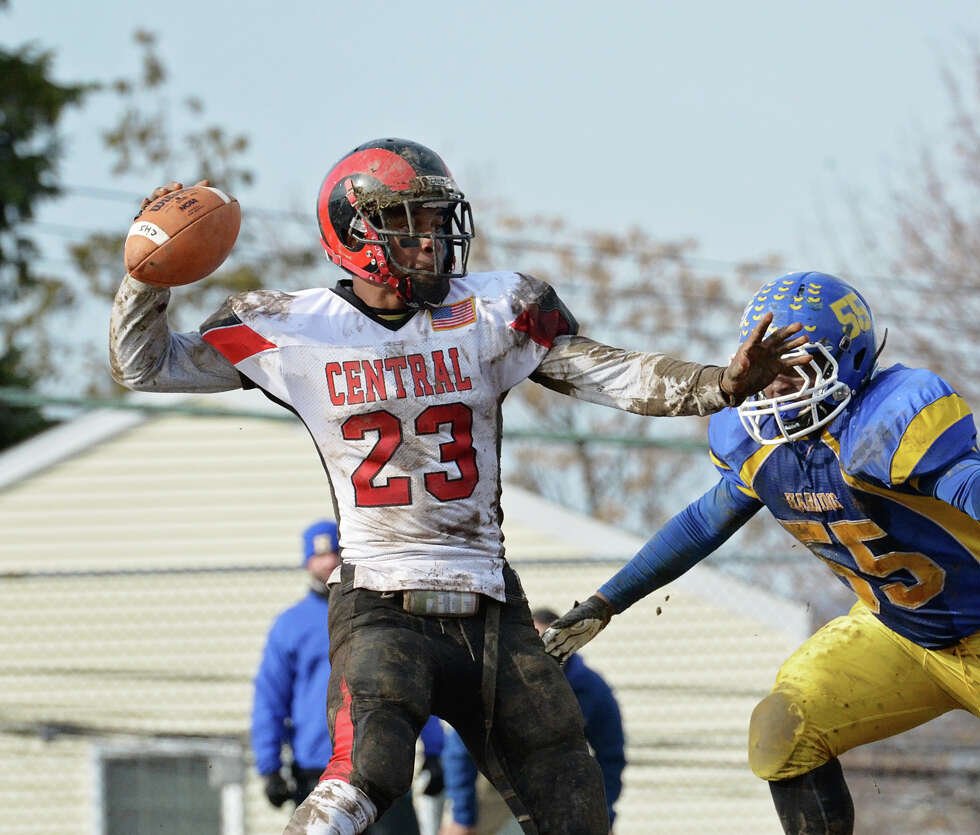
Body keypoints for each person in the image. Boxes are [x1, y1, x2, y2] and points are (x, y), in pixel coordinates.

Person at [108, 137, 809, 835]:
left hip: (489, 603)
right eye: (408, 220)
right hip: (381, 600)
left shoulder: (494, 310)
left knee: (574, 801)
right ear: (356, 233)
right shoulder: (294, 326)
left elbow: (608, 372)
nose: (432, 237)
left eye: (439, 217)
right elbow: (145, 366)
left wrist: (717, 384)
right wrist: (147, 275)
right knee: (364, 775)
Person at [543, 272, 980, 835]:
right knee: (783, 730)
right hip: (898, 634)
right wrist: (607, 601)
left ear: (847, 362)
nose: (775, 386)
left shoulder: (890, 412)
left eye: (795, 367)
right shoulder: (755, 440)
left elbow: (960, 477)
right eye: (766, 367)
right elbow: (701, 522)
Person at [252, 519, 444, 835]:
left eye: (334, 554)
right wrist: (269, 766)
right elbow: (270, 698)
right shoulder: (290, 625)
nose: (328, 562)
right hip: (317, 769)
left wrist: (434, 750)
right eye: (319, 556)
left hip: (382, 760)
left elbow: (412, 680)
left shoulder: (382, 613)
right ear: (306, 562)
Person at [440, 607, 624, 835]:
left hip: (560, 779)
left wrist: (603, 812)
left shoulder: (590, 689)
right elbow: (459, 751)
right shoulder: (494, 680)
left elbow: (611, 755)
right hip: (496, 777)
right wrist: (463, 816)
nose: (541, 653)